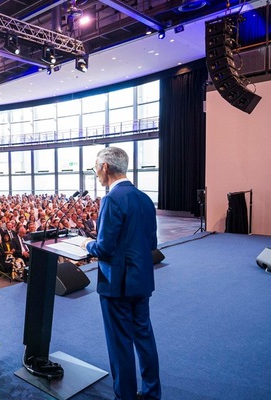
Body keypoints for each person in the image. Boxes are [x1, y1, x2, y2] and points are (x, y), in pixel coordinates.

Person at [81, 147, 160, 400]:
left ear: (105, 167)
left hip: (117, 285)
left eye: (95, 168)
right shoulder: (145, 199)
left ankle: (125, 395)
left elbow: (104, 247)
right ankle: (151, 393)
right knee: (144, 338)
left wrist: (86, 244)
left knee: (120, 344)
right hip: (141, 281)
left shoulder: (112, 199)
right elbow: (152, 244)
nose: (95, 174)